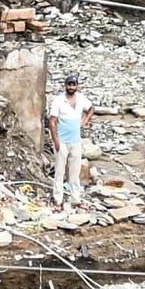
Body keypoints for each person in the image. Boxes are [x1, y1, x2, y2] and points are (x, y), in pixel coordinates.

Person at [48, 73, 91, 209]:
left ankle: (75, 199)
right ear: (65, 86)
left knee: (75, 172)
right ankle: (58, 200)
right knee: (59, 171)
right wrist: (56, 141)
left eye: (74, 84)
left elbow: (91, 108)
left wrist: (85, 120)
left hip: (76, 141)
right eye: (69, 84)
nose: (71, 87)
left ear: (77, 86)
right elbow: (52, 122)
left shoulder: (81, 99)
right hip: (62, 141)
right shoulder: (58, 101)